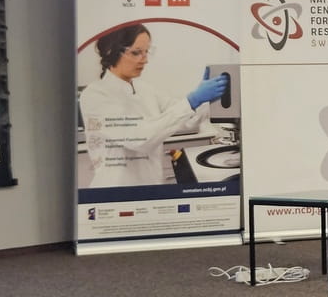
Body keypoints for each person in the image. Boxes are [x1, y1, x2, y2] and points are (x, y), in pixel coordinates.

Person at [79, 23, 228, 187]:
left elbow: (187, 121)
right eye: (136, 53)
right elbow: (140, 139)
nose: (145, 60)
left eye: (146, 52)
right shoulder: (95, 95)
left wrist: (208, 100)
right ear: (111, 51)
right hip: (116, 192)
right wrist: (192, 100)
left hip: (151, 187)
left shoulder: (145, 89)